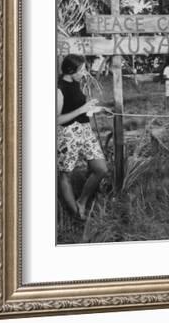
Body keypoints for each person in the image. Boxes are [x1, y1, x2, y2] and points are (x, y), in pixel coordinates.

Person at [57, 54, 112, 221]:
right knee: (66, 175)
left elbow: (80, 107)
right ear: (70, 70)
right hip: (68, 134)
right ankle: (76, 214)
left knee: (101, 169)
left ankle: (82, 201)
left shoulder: (75, 83)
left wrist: (98, 109)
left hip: (85, 130)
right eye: (81, 70)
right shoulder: (58, 89)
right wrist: (81, 110)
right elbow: (56, 119)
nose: (85, 73)